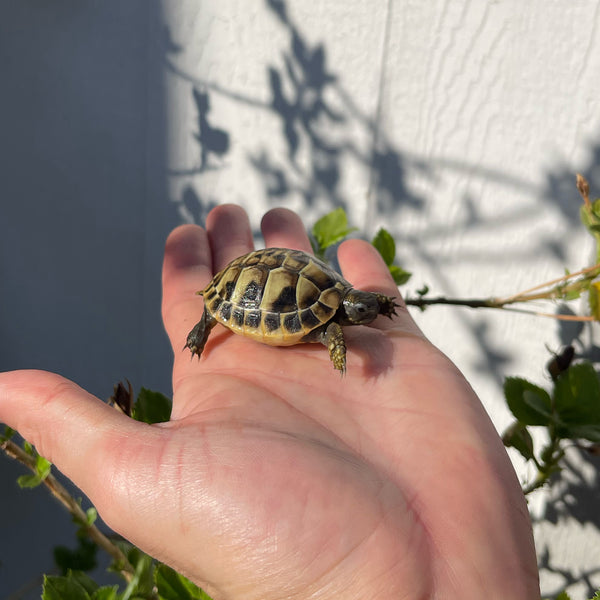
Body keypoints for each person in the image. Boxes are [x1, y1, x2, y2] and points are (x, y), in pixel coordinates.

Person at [0, 205, 539, 599]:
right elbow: (334, 321)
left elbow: (358, 308)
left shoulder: (344, 306)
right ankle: (209, 317)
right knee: (243, 314)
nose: (361, 315)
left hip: (292, 282)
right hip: (252, 292)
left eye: (356, 309)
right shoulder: (331, 323)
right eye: (356, 310)